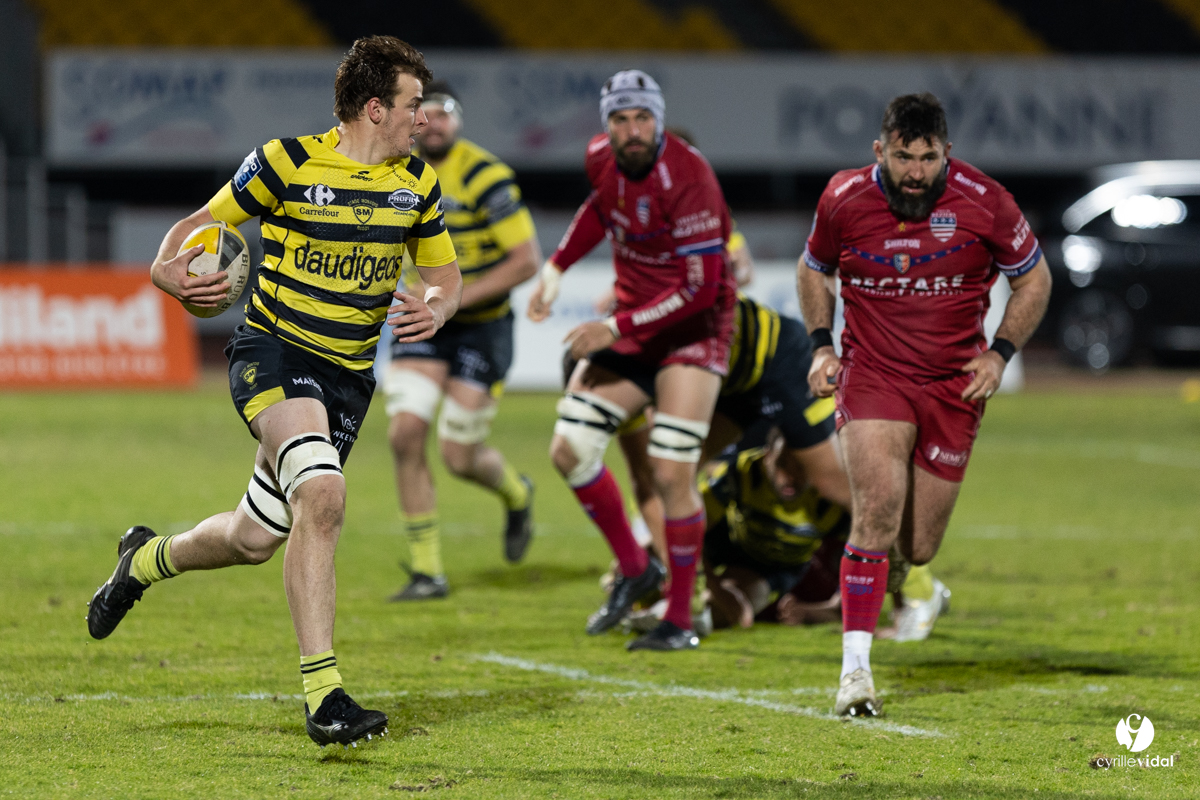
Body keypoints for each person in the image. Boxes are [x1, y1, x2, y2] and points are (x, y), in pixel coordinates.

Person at [85, 36, 462, 747]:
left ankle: (140, 560)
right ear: (376, 108)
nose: (424, 117)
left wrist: (435, 308)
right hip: (273, 351)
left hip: (347, 380)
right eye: (414, 105)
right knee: (322, 493)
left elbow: (446, 276)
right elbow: (201, 225)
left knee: (254, 538)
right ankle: (326, 696)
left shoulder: (418, 184)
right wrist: (167, 271)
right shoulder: (285, 161)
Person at [798, 93, 1051, 717]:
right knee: (876, 512)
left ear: (947, 153)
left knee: (918, 543)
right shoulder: (842, 198)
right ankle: (855, 674)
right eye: (903, 157)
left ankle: (920, 585)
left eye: (928, 158)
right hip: (874, 374)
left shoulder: (986, 202)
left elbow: (1035, 279)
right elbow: (814, 270)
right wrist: (820, 347)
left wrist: (999, 355)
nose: (916, 172)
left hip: (952, 385)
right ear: (879, 150)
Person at [528, 69, 737, 651]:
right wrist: (555, 270)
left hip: (695, 332)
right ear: (607, 126)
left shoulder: (690, 176)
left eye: (642, 117)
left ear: (660, 120)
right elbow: (601, 209)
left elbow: (700, 291)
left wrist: (613, 325)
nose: (632, 130)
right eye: (620, 119)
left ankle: (679, 617)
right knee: (569, 448)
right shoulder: (602, 157)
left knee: (671, 473)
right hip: (639, 325)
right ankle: (637, 568)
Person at [384, 81, 541, 601]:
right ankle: (428, 571)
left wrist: (454, 298)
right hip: (422, 317)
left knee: (457, 453)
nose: (434, 122)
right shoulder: (394, 171)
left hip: (481, 323)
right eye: (423, 112)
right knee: (405, 433)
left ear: (459, 120)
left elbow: (525, 259)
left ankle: (517, 493)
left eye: (445, 112)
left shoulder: (486, 176)